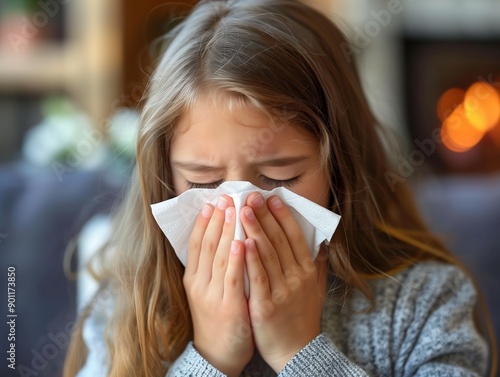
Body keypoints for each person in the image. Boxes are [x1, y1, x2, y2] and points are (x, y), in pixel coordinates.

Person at [63, 0, 496, 376]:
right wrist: (211, 359)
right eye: (203, 181)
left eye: (280, 178)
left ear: (341, 167)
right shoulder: (129, 309)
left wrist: (300, 352)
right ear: (164, 176)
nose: (243, 211)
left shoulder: (425, 304)